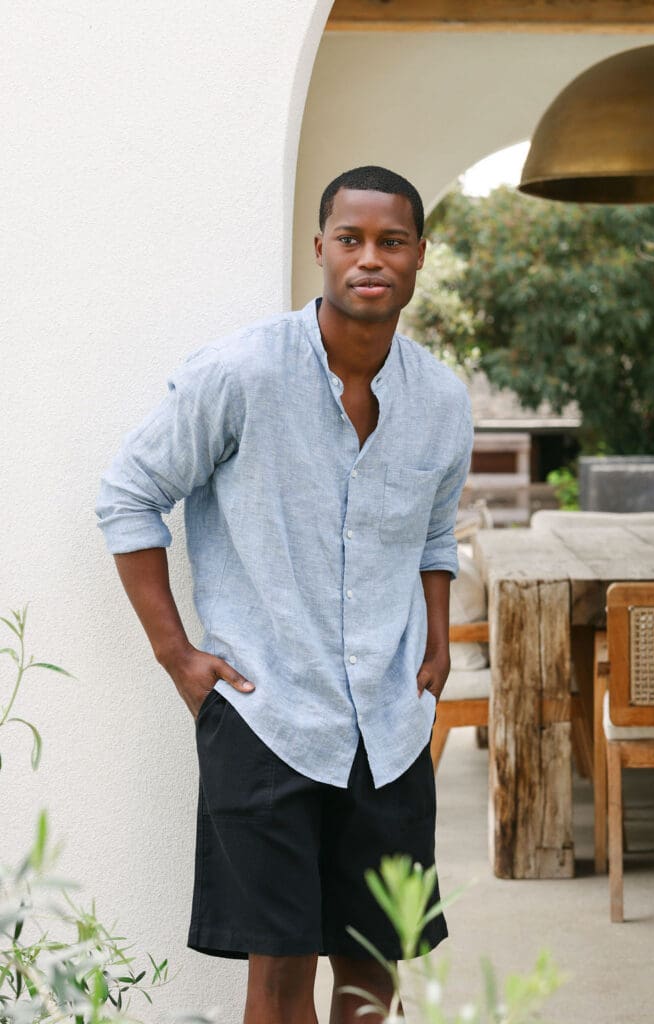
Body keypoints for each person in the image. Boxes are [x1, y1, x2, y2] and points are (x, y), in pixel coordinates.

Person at [96, 165, 473, 1024]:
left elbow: (432, 533)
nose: (370, 258)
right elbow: (128, 495)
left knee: (372, 970)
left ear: (419, 255)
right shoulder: (241, 372)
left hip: (388, 723)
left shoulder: (441, 401)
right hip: (268, 717)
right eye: (351, 239)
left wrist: (437, 639)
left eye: (391, 241)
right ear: (320, 249)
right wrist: (177, 656)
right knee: (278, 975)